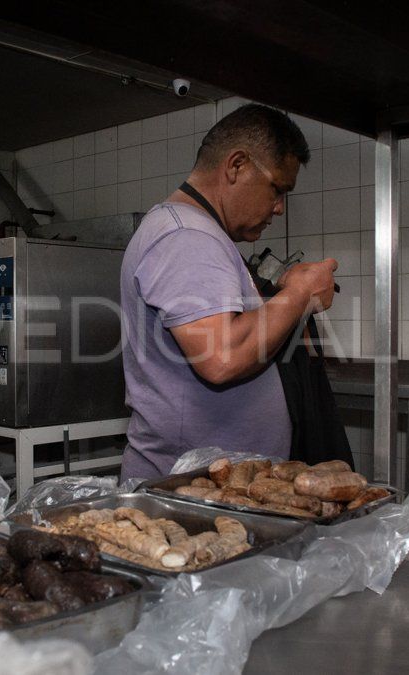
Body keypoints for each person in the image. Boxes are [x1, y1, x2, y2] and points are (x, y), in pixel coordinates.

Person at [119, 103, 338, 480]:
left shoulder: (195, 232)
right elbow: (221, 356)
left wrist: (281, 299)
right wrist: (298, 294)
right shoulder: (187, 237)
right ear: (236, 166)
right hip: (186, 496)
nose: (279, 208)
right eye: (278, 189)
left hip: (211, 491)